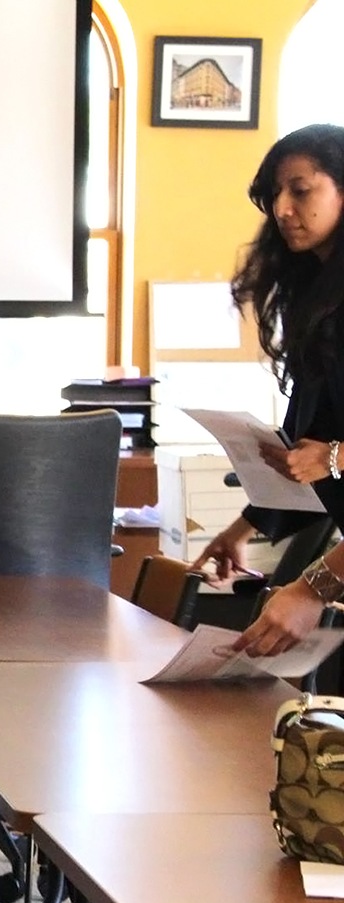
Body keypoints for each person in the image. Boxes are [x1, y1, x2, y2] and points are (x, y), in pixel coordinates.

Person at [192, 123, 344, 657]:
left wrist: (313, 588)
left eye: (301, 190)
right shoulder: (322, 303)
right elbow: (313, 444)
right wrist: (247, 525)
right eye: (274, 194)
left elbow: (330, 453)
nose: (282, 209)